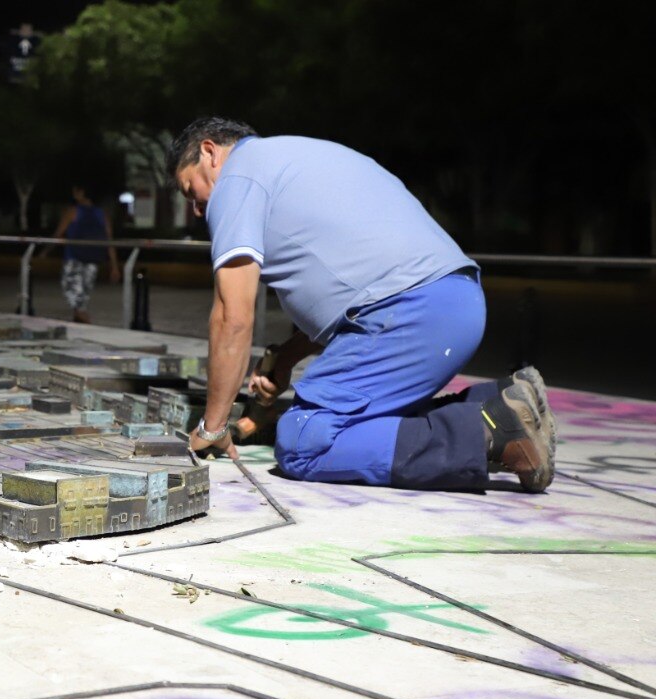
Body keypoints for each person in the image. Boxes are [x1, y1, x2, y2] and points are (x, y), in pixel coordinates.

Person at [168, 117, 555, 492]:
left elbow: (232, 317)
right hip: (456, 302)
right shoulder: (298, 156)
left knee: (304, 439)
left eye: (191, 191)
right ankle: (500, 402)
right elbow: (358, 284)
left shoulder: (236, 180)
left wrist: (213, 427)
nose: (199, 211)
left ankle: (490, 432)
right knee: (367, 421)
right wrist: (287, 356)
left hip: (408, 315)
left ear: (210, 152)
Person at [45, 185, 120, 324]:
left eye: (76, 191)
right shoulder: (102, 214)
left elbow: (57, 234)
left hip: (74, 259)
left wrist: (45, 251)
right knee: (82, 298)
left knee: (75, 297)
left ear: (81, 193)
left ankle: (87, 324)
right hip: (93, 260)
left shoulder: (73, 211)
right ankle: (79, 326)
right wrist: (114, 266)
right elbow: (109, 241)